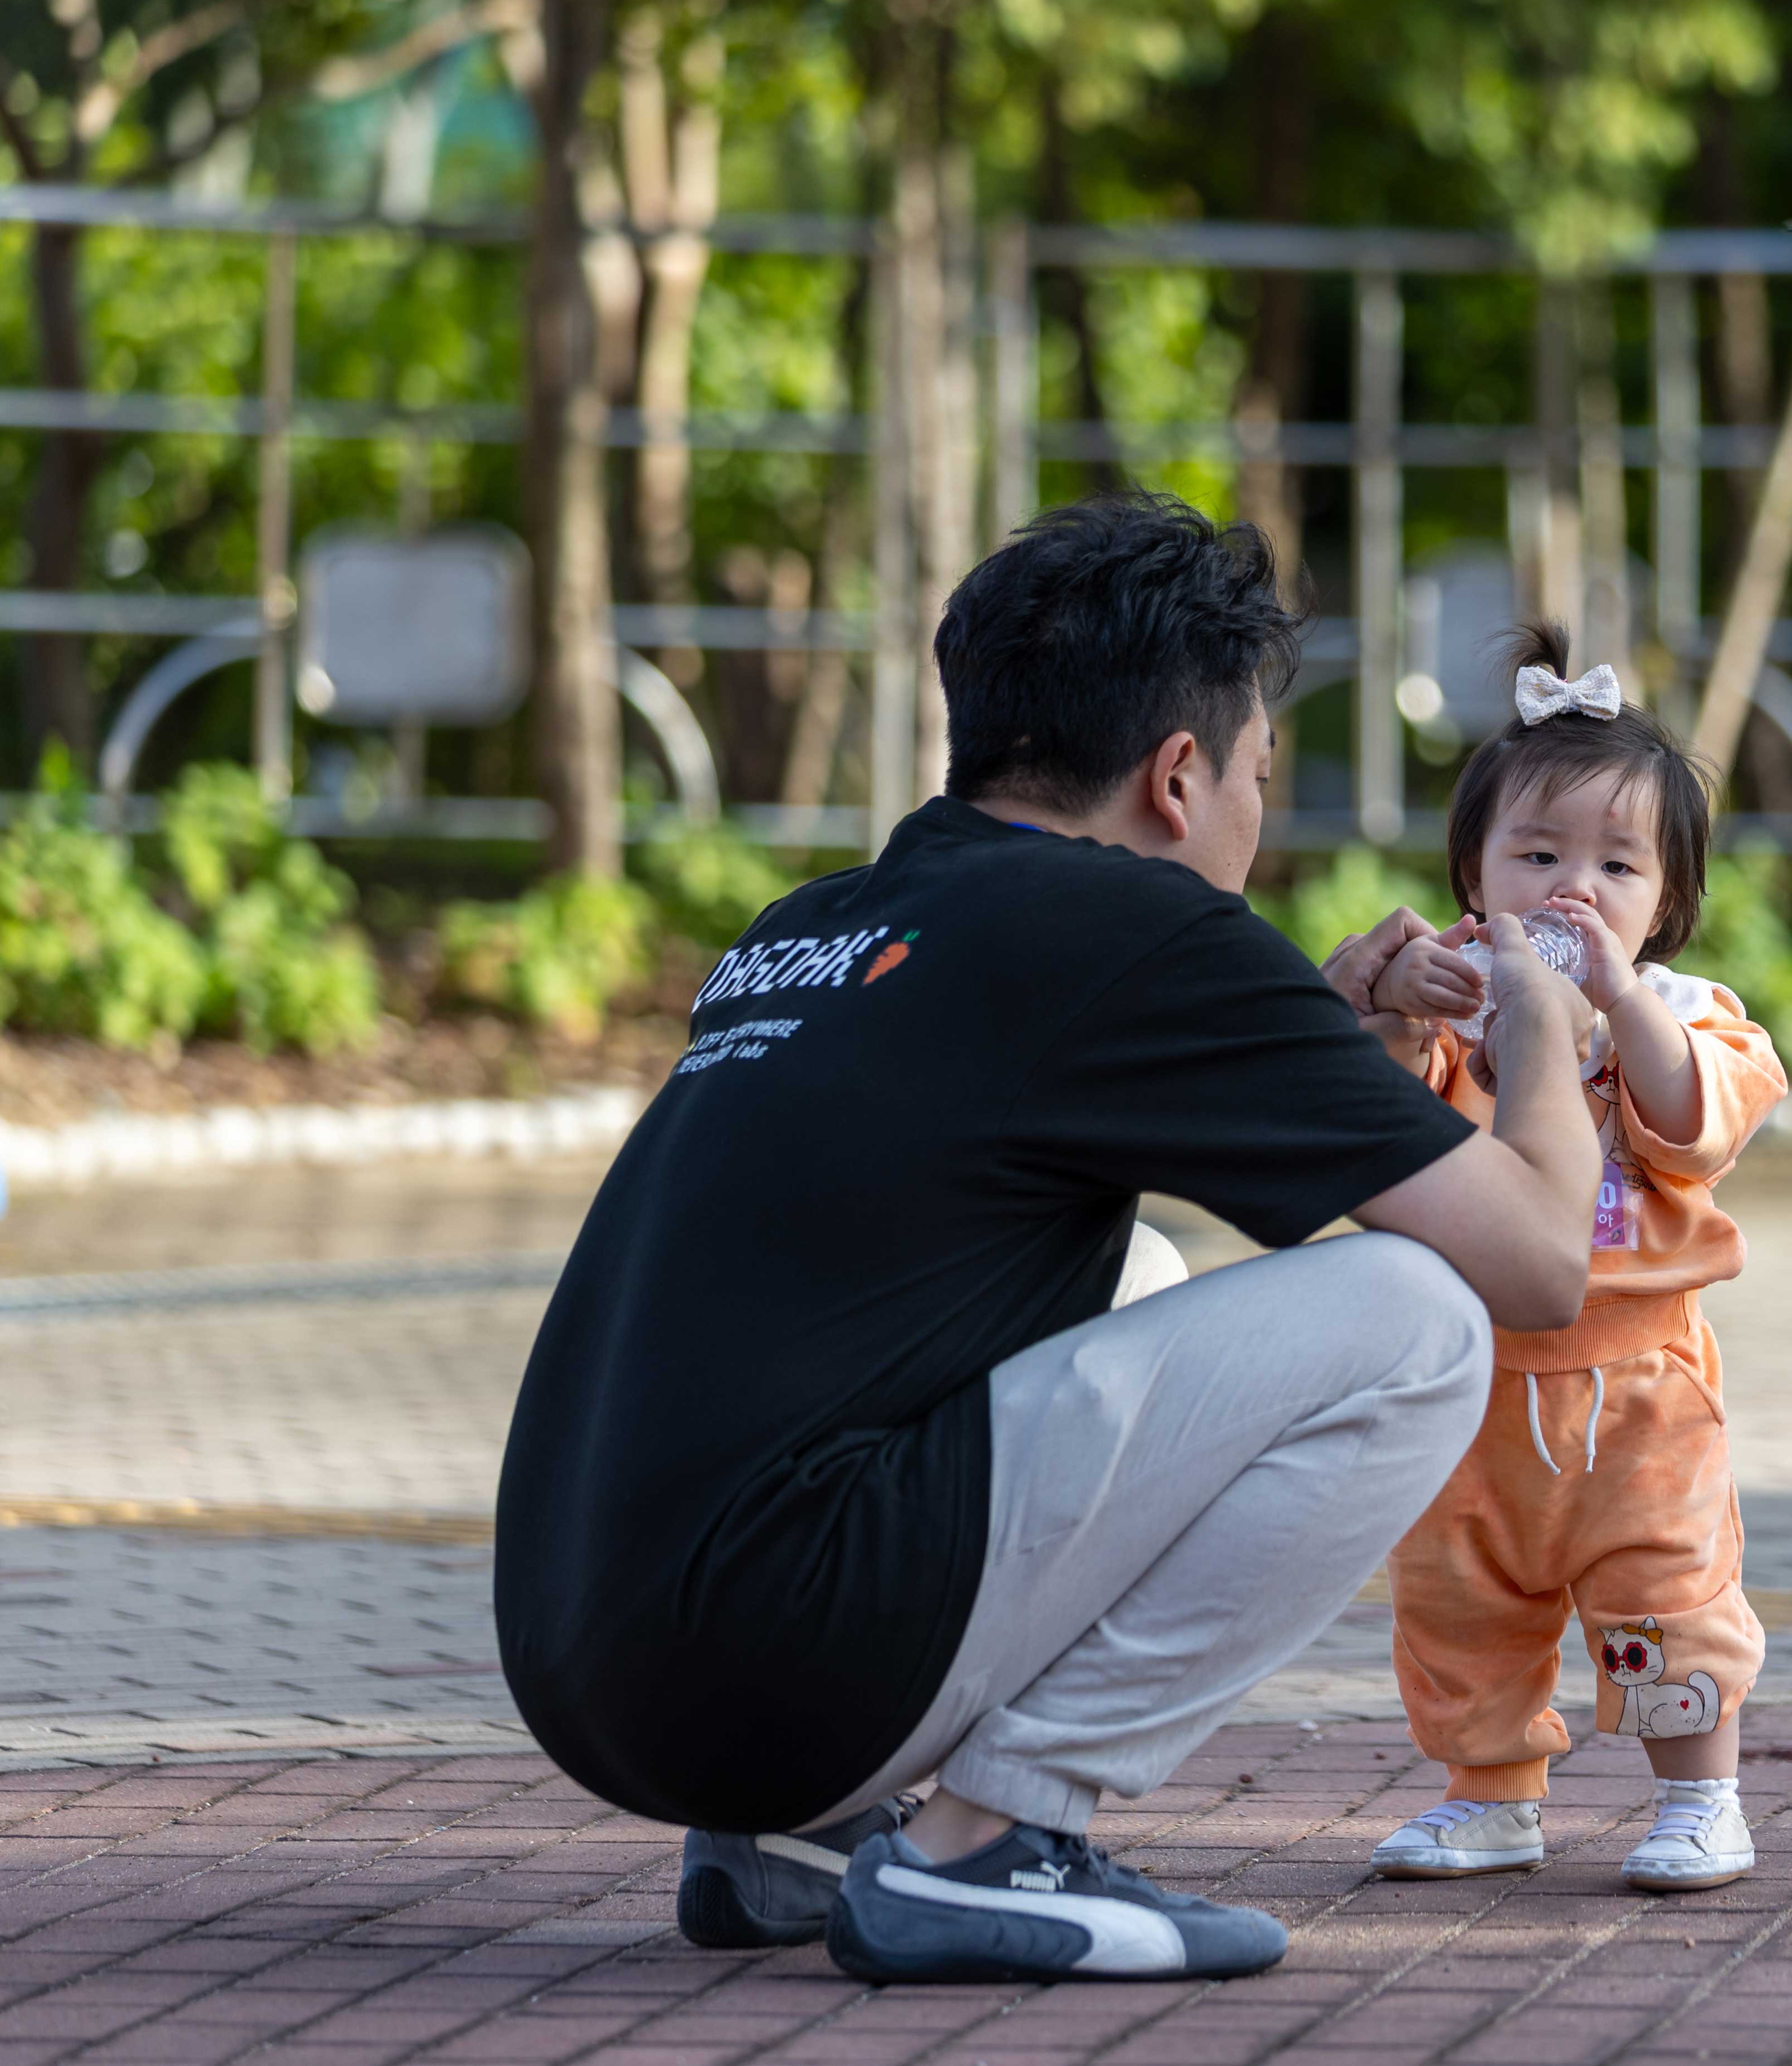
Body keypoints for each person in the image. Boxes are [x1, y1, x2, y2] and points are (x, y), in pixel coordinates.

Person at [492, 493, 1606, 1987]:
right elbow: (1534, 1260)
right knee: (1418, 1323)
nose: (1255, 819)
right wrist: (1545, 1029)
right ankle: (991, 1839)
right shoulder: (1142, 936)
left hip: (594, 1668)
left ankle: (797, 1833)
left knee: (1128, 1271)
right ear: (1176, 776)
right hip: (771, 1661)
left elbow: (1031, 1117)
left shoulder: (820, 919)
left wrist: (1327, 1042)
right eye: (1257, 776)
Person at [1327, 625, 1786, 1892]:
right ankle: (1490, 1796)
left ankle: (1700, 1795)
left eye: (1616, 865)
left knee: (1665, 1587)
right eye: (1536, 856)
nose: (1572, 889)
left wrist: (1619, 1002)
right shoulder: (1454, 1009)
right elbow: (1376, 1133)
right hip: (1469, 1375)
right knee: (1458, 1600)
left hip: (1639, 1387)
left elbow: (1697, 1127)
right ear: (1473, 876)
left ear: (1667, 901)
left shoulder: (1686, 1014)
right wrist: (1391, 1012)